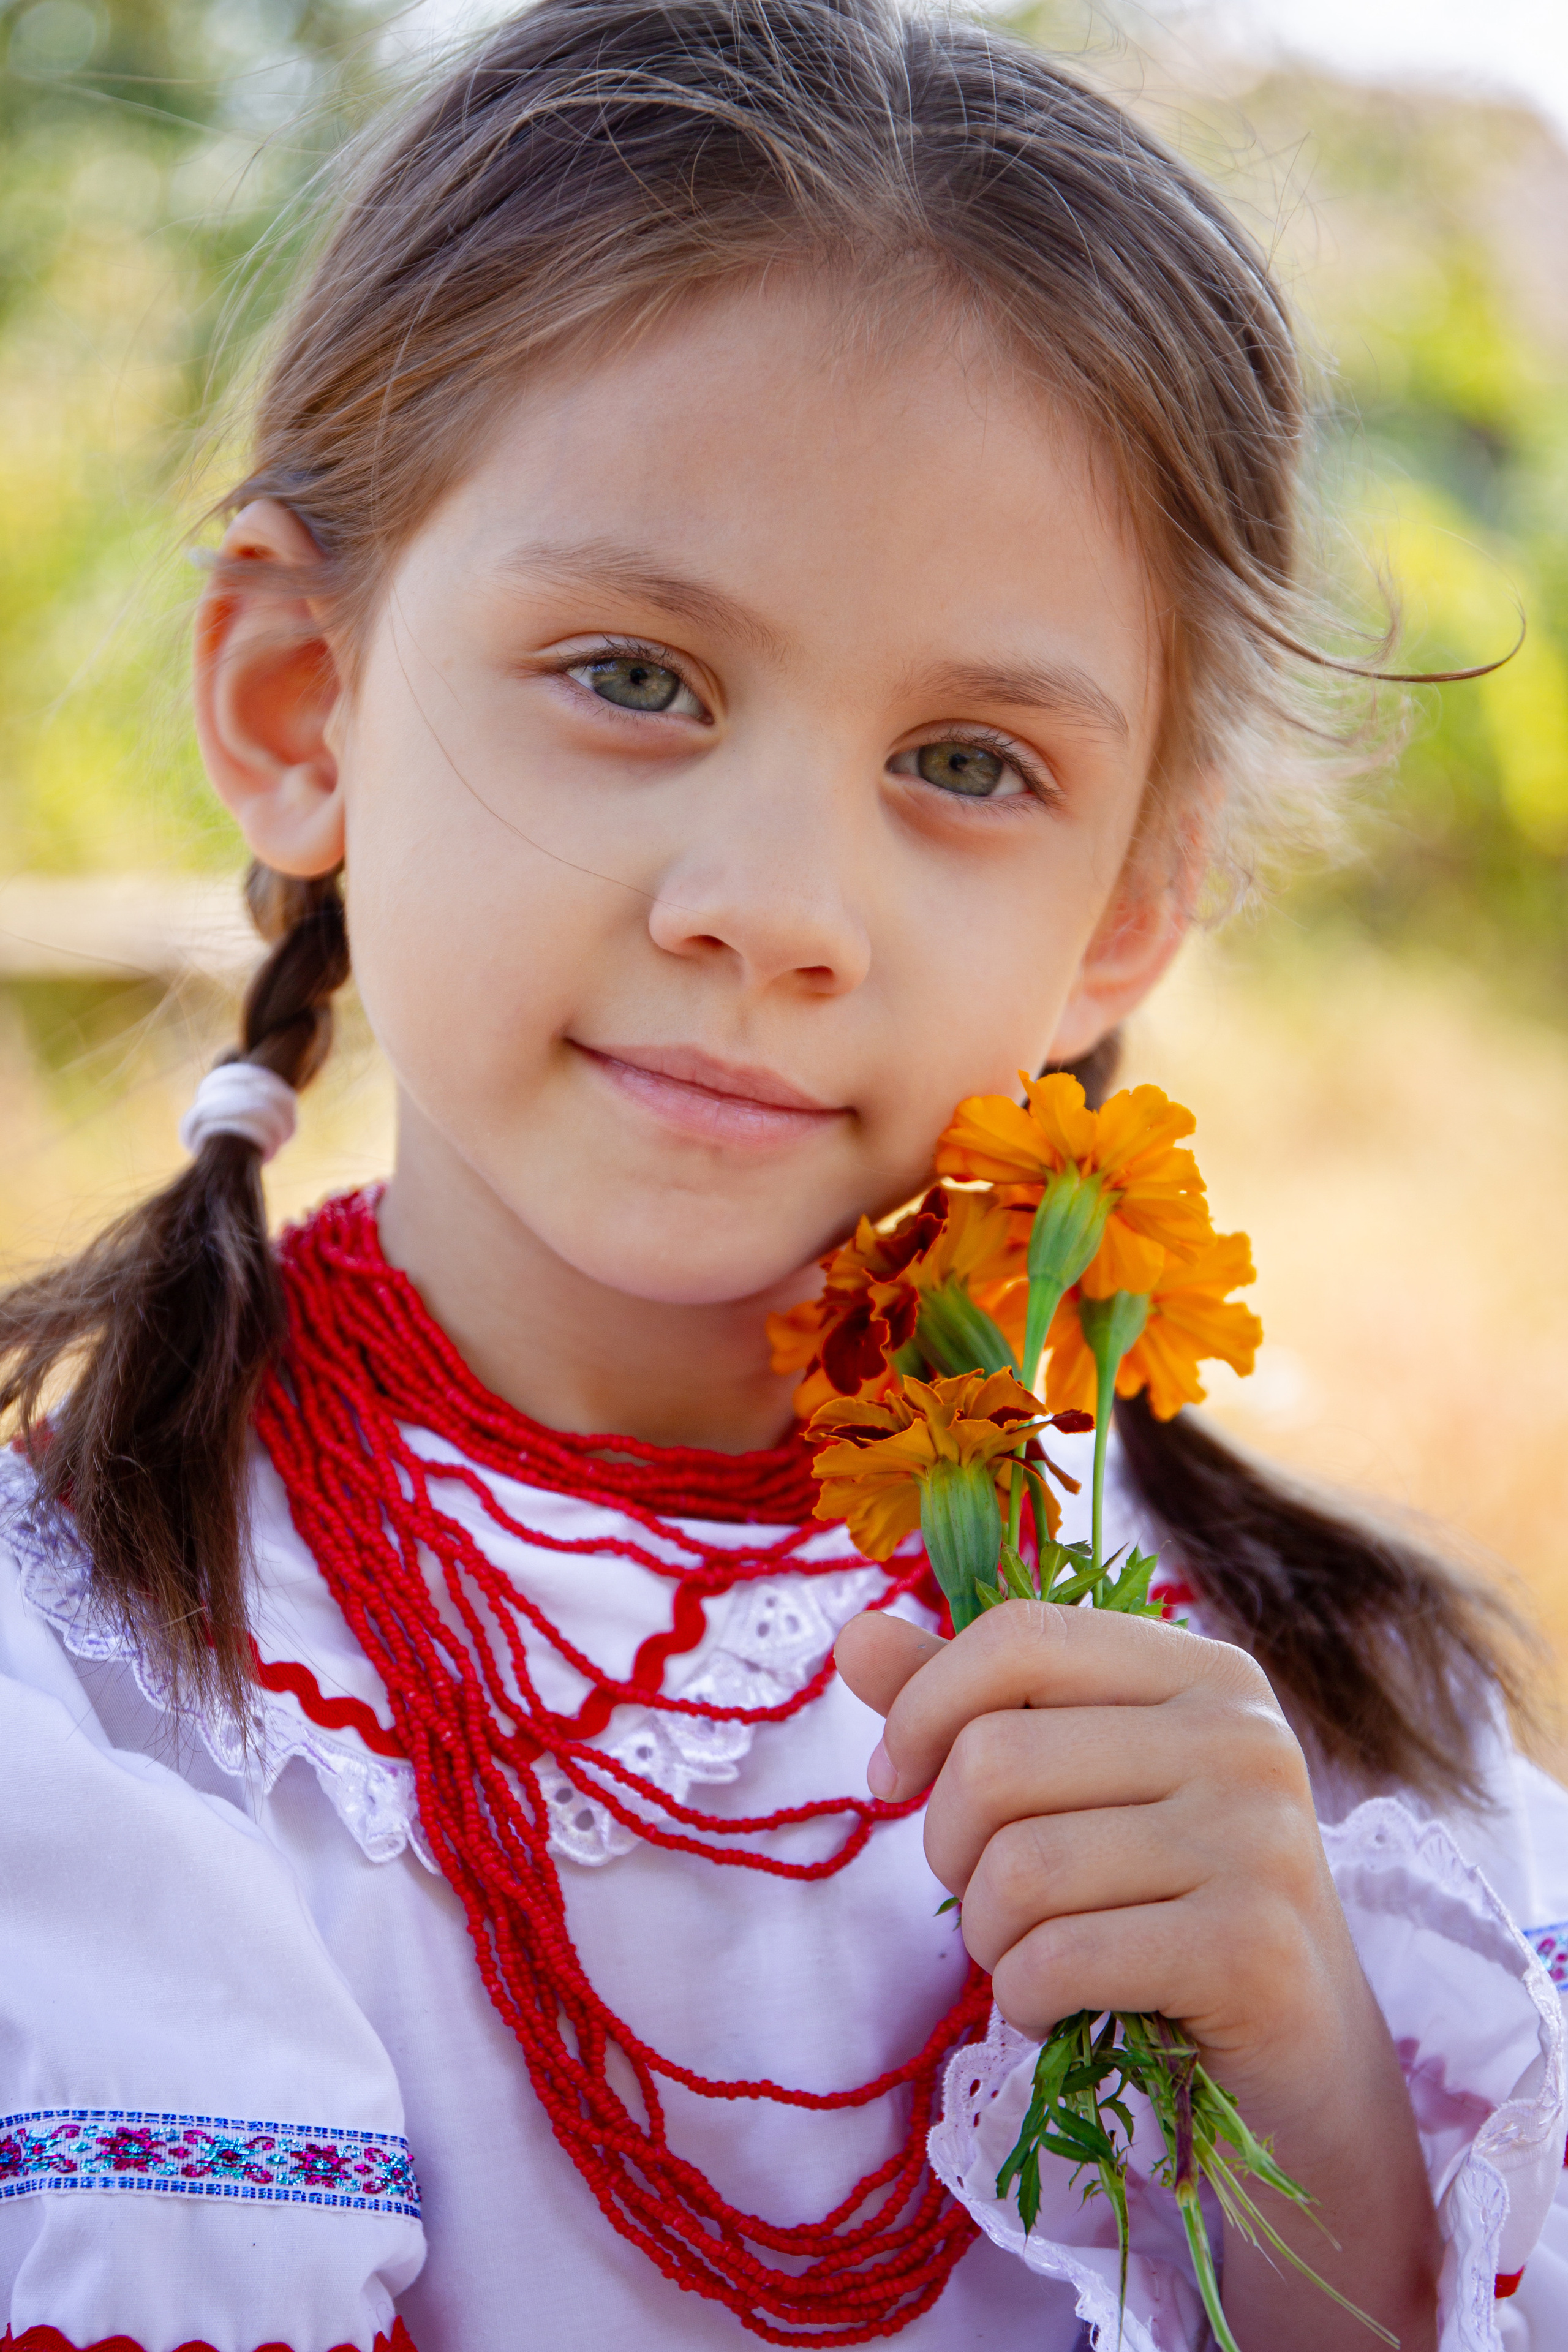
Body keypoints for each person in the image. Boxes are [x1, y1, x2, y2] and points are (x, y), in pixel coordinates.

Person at [0, 2, 1564, 2345]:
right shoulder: (95, 1694)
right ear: (295, 705)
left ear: (1131, 896)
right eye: (635, 677)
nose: (781, 905)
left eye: (964, 756)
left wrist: (1314, 2092)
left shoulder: (1321, 1727)